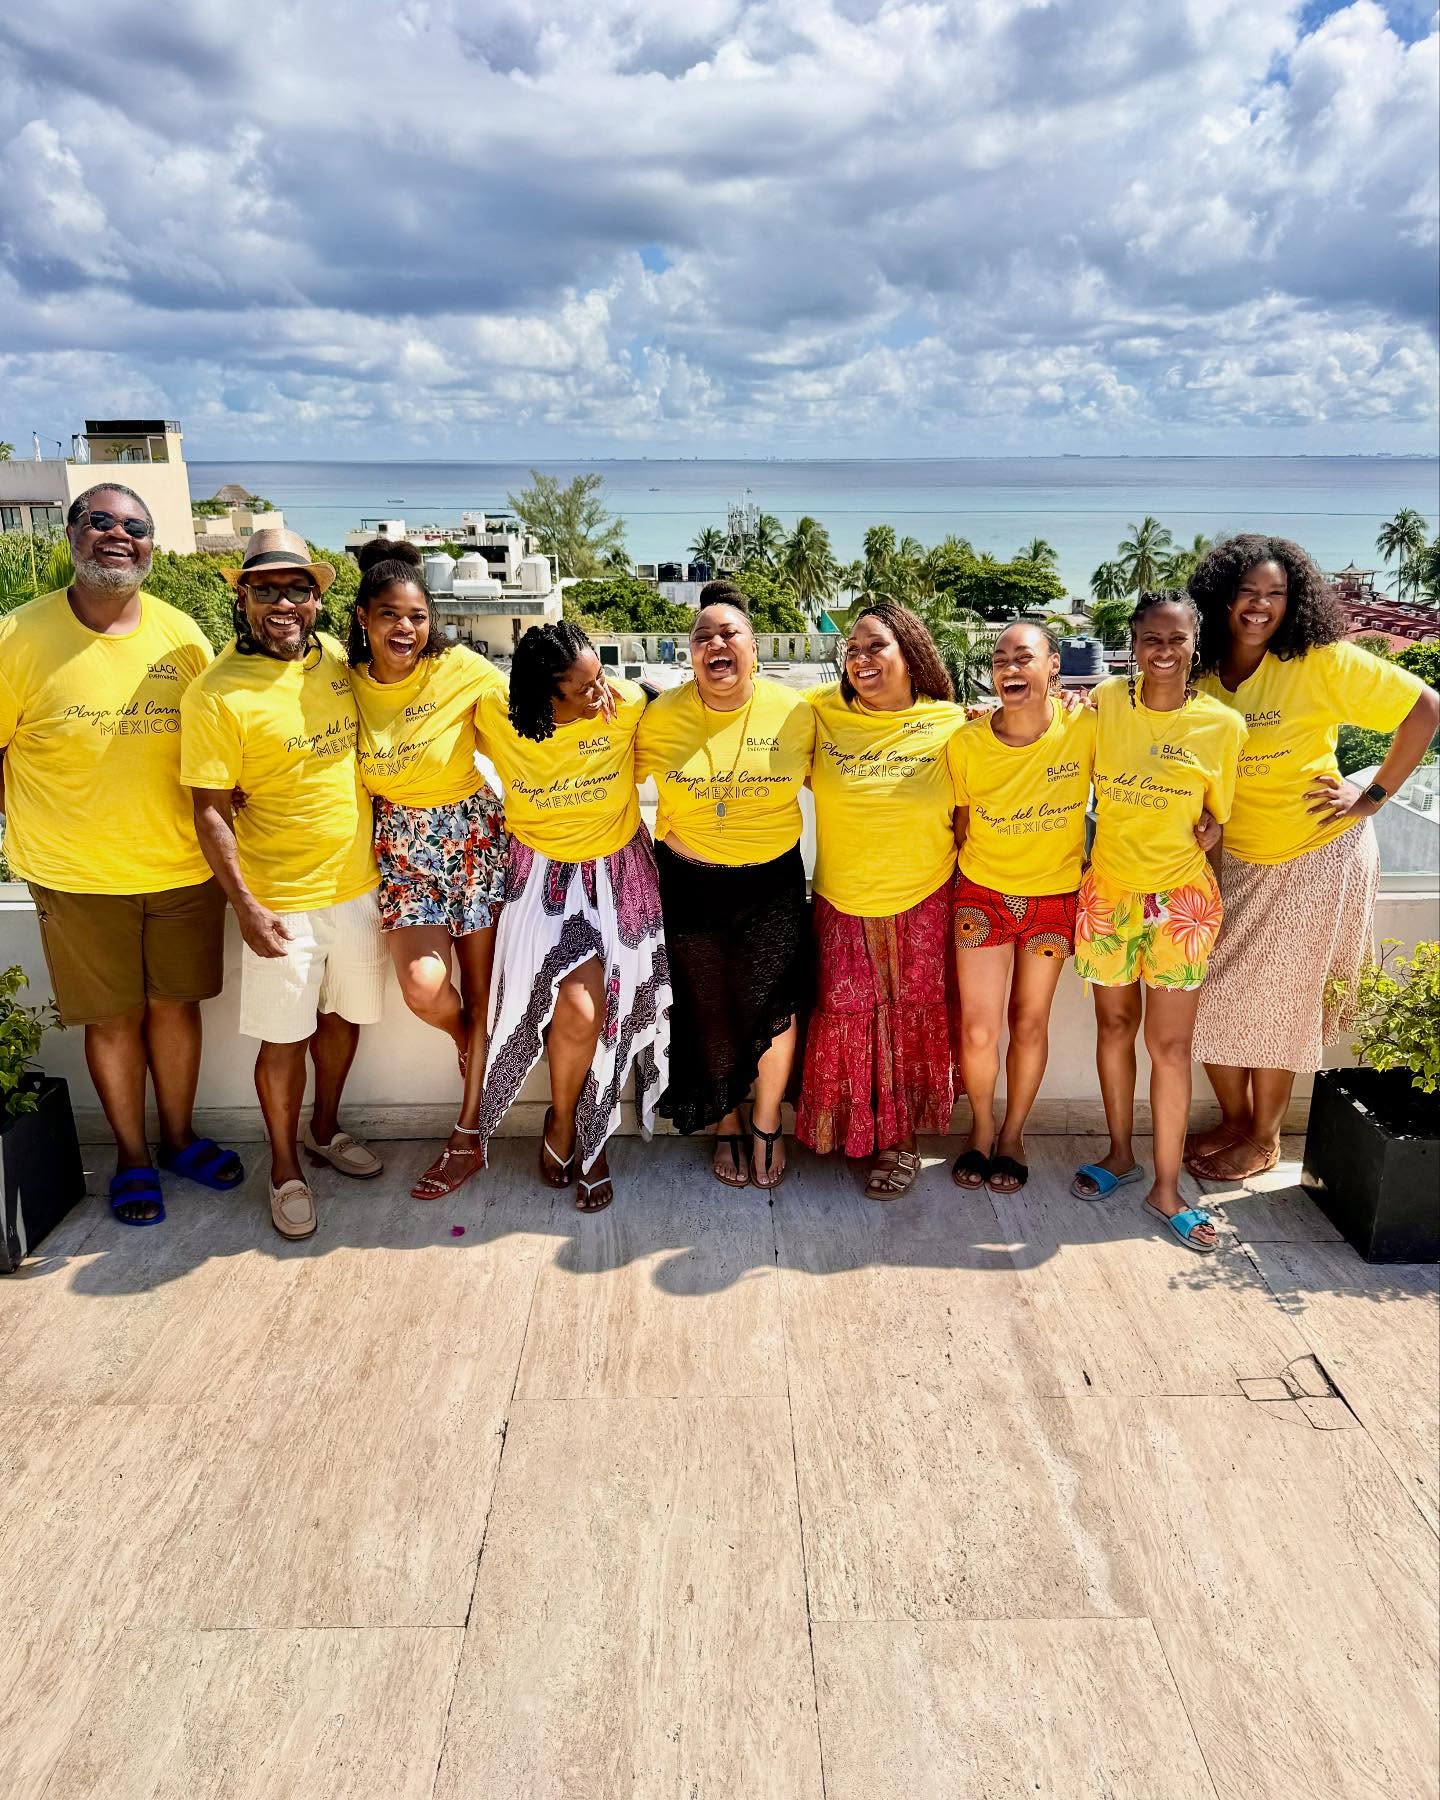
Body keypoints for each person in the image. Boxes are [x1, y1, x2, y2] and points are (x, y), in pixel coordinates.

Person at [0, 483, 242, 1226]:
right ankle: (133, 1159)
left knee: (176, 1008)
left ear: (151, 545)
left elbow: (217, 743)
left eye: (135, 526)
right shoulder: (18, 637)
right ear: (71, 533)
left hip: (182, 867)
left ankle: (179, 1140)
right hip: (76, 876)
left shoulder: (181, 635)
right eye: (99, 520)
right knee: (111, 1020)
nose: (117, 534)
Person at [1182, 536, 1438, 1182]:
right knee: (1207, 994)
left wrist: (1372, 795)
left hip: (1318, 854)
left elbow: (1425, 708)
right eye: (1246, 591)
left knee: (1284, 1002)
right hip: (1236, 860)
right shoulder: (1200, 670)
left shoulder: (1320, 661)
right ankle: (1236, 1121)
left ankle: (1264, 1138)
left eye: (1276, 593)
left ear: (1293, 602)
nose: (1260, 605)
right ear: (1220, 597)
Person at [181, 529, 385, 1241]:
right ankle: (284, 1167)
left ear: (318, 600)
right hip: (280, 899)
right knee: (283, 1040)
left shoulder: (335, 659)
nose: (282, 603)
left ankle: (325, 1130)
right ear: (242, 598)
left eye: (297, 589)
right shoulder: (216, 693)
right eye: (265, 589)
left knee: (344, 1019)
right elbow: (209, 809)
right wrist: (245, 905)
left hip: (357, 885)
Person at [1070, 590, 1246, 1253]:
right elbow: (1056, 747)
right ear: (1134, 643)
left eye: (1176, 639)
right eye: (1151, 638)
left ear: (1195, 645)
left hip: (1182, 905)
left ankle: (1167, 1188)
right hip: (1109, 895)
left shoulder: (1222, 726)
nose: (1163, 651)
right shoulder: (1106, 703)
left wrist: (1213, 881)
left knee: (1169, 1048)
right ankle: (1120, 1155)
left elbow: (1216, 821)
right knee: (1114, 1027)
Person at [476, 622, 670, 1212]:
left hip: (618, 872)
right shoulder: (496, 715)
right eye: (584, 689)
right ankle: (565, 1121)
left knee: (608, 1013)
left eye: (600, 678)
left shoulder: (625, 703)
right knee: (580, 1010)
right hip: (540, 877)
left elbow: (684, 712)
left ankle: (591, 1130)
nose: (600, 693)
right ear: (544, 696)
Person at [636, 582, 815, 1189]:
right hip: (689, 884)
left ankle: (766, 1121)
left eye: (729, 633)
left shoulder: (797, 712)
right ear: (690, 653)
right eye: (702, 636)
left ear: (754, 648)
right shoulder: (658, 716)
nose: (716, 643)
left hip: (772, 884)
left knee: (776, 1008)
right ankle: (726, 1120)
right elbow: (599, 759)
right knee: (706, 1009)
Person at [349, 540, 508, 1202]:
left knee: (482, 991)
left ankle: (467, 1137)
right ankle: (470, 1041)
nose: (405, 629)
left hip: (472, 836)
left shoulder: (460, 668)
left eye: (417, 616)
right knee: (425, 988)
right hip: (401, 848)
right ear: (364, 617)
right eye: (390, 614)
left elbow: (530, 709)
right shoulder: (342, 680)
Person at [798, 600, 965, 1201]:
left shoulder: (952, 724)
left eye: (876, 647)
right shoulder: (819, 712)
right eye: (852, 649)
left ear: (911, 653)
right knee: (846, 1014)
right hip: (842, 898)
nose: (861, 659)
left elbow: (971, 815)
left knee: (910, 1018)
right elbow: (744, 709)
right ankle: (851, 1130)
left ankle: (900, 1141)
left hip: (924, 898)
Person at [948, 623, 1096, 1195]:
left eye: (1024, 657)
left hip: (1054, 898)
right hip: (982, 894)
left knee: (1030, 1021)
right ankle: (982, 1128)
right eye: (1000, 658)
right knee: (979, 1027)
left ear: (1053, 665)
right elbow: (961, 823)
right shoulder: (966, 742)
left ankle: (1013, 1134)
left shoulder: (1085, 728)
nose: (1010, 667)